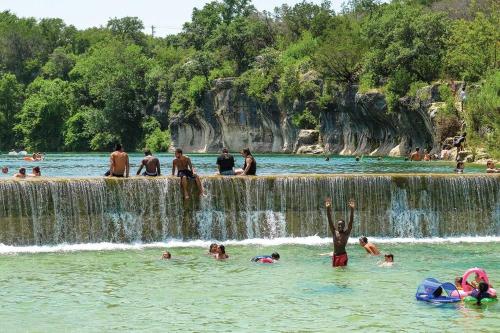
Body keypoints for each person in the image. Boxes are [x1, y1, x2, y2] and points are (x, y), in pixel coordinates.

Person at [325, 197, 355, 267]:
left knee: (343, 272)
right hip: (335, 256)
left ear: (344, 226)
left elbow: (351, 222)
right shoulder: (334, 232)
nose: (340, 226)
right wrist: (328, 208)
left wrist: (352, 209)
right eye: (338, 225)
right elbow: (329, 220)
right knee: (335, 273)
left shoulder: (346, 233)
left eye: (341, 225)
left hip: (343, 256)